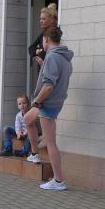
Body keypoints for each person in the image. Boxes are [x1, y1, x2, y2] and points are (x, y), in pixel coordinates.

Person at [25, 25, 73, 191]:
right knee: (27, 119)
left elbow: (48, 86)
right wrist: (43, 63)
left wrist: (37, 102)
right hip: (53, 102)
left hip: (47, 103)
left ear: (46, 39)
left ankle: (58, 180)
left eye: (42, 41)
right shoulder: (63, 58)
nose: (41, 45)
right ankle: (34, 154)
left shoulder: (52, 57)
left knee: (51, 143)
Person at [28, 3, 58, 69]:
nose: (41, 21)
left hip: (51, 69)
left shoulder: (57, 33)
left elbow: (54, 51)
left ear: (52, 20)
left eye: (43, 19)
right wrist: (36, 54)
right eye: (40, 19)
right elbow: (31, 47)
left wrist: (41, 51)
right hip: (42, 69)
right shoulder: (43, 34)